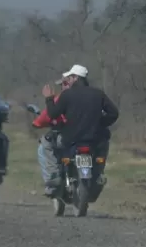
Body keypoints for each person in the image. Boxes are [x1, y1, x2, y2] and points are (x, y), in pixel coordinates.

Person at [42, 64, 119, 197]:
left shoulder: (67, 94)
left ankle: (54, 174)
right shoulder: (98, 94)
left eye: (70, 77)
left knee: (46, 143)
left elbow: (53, 113)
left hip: (71, 140)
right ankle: (99, 173)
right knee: (103, 147)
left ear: (76, 78)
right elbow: (114, 113)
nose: (68, 80)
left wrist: (49, 99)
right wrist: (100, 124)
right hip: (94, 140)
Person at [32, 77, 69, 196]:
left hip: (64, 137)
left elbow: (46, 117)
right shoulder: (87, 96)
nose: (62, 87)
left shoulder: (60, 99)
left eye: (63, 84)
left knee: (43, 147)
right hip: (86, 137)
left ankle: (53, 180)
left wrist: (37, 123)